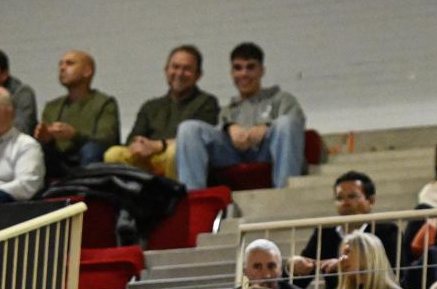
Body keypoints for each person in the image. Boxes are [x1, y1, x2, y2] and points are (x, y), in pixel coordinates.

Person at [175, 41, 306, 192]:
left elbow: (296, 126)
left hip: (268, 151)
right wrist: (229, 127)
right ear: (231, 72)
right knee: (188, 128)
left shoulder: (281, 98)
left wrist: (267, 128)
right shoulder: (227, 110)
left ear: (262, 71)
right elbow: (216, 134)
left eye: (250, 67)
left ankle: (285, 193)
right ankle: (195, 200)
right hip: (233, 154)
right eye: (238, 68)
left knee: (287, 122)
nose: (243, 73)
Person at [105, 44, 217, 176]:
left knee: (174, 152)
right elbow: (133, 138)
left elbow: (196, 141)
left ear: (198, 75)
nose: (179, 73)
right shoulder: (151, 106)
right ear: (166, 70)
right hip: (147, 159)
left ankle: (174, 196)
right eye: (175, 67)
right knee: (113, 154)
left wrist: (158, 145)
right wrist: (140, 146)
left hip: (179, 159)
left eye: (187, 69)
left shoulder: (207, 102)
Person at [33, 49, 119, 173]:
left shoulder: (104, 102)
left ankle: (85, 189)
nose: (62, 68)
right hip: (59, 160)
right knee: (34, 150)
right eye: (61, 64)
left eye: (70, 63)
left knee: (91, 150)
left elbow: (107, 140)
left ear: (87, 71)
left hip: (88, 157)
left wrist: (74, 135)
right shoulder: (52, 106)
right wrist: (45, 137)